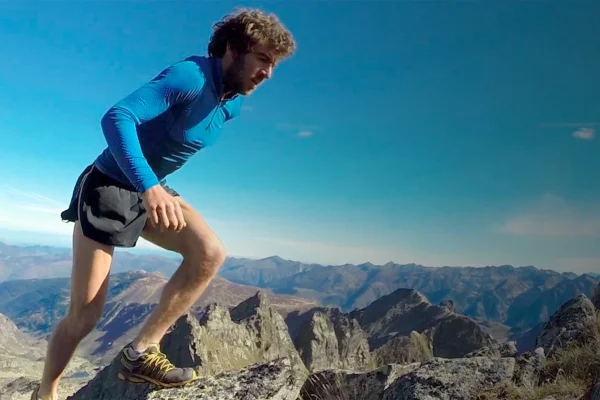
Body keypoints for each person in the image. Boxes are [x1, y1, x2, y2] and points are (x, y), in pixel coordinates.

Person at [31, 8, 295, 400]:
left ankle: (140, 352)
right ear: (233, 50)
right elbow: (117, 117)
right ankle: (46, 391)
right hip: (109, 187)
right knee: (85, 316)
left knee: (209, 253)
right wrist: (149, 185)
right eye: (263, 59)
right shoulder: (189, 76)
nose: (268, 73)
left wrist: (156, 187)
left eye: (274, 65)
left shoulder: (232, 103)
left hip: (153, 189)